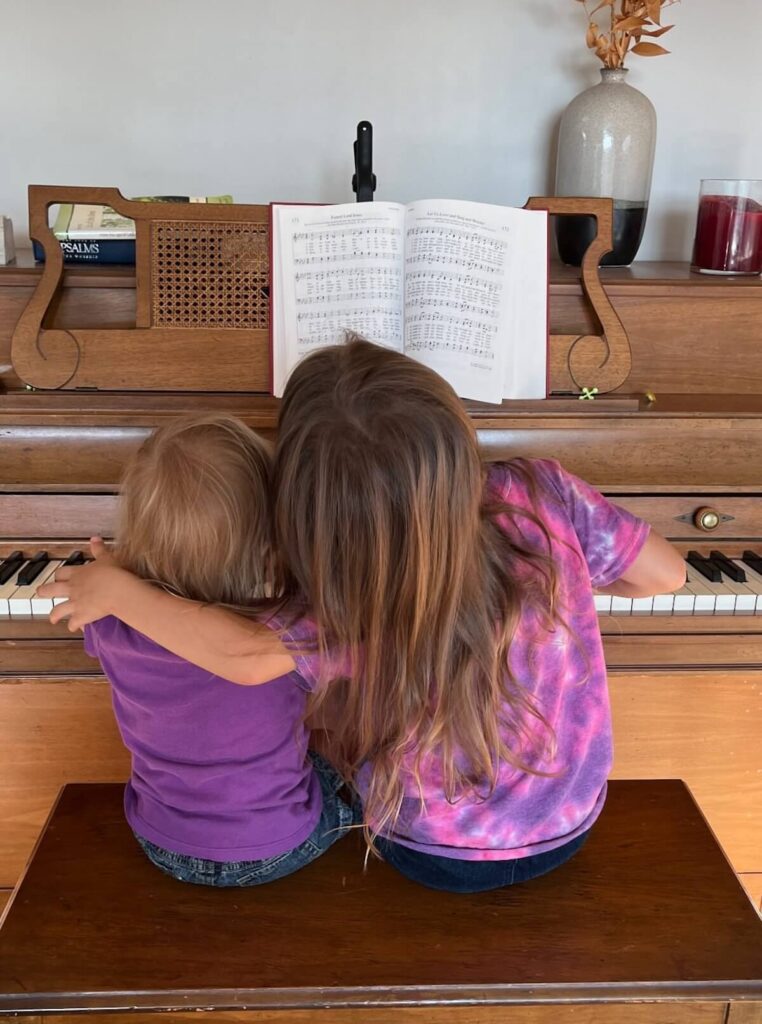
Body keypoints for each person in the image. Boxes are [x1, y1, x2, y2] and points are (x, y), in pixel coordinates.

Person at [40, 340, 685, 893]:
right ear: (455, 435)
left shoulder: (349, 594)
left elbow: (237, 656)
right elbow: (665, 576)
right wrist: (563, 583)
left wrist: (121, 592)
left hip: (430, 854)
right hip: (569, 821)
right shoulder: (541, 489)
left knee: (317, 724)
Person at [59, 413, 355, 887]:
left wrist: (122, 579)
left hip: (158, 840)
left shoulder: (109, 618)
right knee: (344, 773)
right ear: (265, 535)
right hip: (274, 849)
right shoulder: (286, 629)